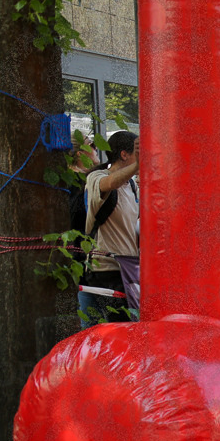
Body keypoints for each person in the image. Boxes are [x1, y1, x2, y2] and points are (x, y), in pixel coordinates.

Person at [79, 130, 139, 328]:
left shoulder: (132, 185)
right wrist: (139, 165)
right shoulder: (97, 177)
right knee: (111, 335)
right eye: (137, 153)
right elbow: (110, 183)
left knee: (126, 334)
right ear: (124, 154)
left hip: (127, 273)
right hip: (104, 272)